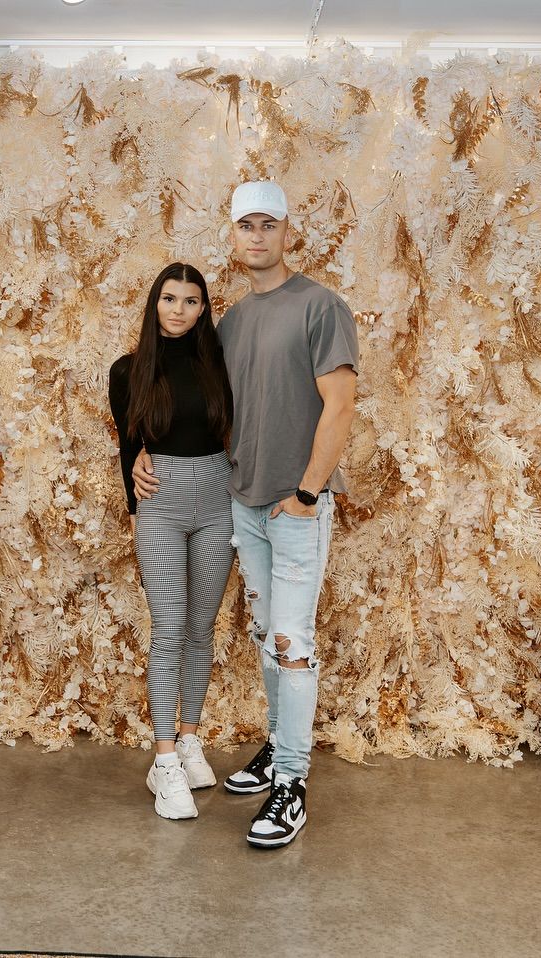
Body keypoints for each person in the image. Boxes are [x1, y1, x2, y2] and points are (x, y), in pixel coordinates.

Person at [133, 182, 358, 848]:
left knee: (292, 641)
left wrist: (310, 493)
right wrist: (142, 447)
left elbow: (341, 404)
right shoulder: (230, 322)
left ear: (288, 232)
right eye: (245, 226)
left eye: (268, 224)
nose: (256, 236)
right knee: (266, 632)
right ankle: (275, 747)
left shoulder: (320, 306)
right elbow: (189, 396)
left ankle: (292, 781)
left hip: (295, 506)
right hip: (245, 504)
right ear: (232, 238)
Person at [109, 262, 235, 821]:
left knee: (201, 625)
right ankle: (163, 760)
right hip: (161, 503)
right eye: (169, 298)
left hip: (216, 501)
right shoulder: (128, 369)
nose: (179, 309)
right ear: (153, 303)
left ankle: (189, 738)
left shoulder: (218, 365)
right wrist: (136, 503)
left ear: (204, 308)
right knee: (169, 627)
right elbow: (127, 446)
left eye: (190, 301)